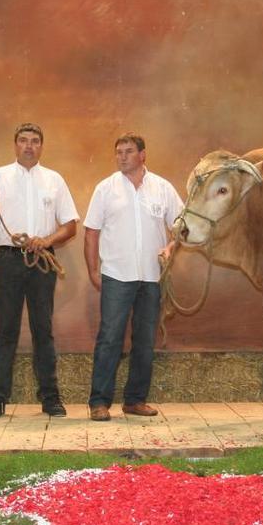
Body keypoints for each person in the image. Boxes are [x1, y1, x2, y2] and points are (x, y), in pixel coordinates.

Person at [0, 123, 79, 418]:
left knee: (43, 330)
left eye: (35, 141)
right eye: (23, 140)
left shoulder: (54, 180)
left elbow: (70, 225)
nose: (29, 146)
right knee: (5, 330)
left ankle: (51, 398)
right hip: (8, 260)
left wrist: (45, 241)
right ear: (15, 145)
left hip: (41, 261)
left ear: (41, 146)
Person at [83, 132, 183, 421]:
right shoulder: (105, 189)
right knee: (110, 338)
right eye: (118, 152)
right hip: (116, 274)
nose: (122, 156)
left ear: (142, 155)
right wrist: (92, 270)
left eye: (128, 151)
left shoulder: (163, 189)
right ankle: (99, 403)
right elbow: (91, 232)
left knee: (144, 340)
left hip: (151, 277)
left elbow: (181, 228)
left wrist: (170, 246)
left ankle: (135, 400)